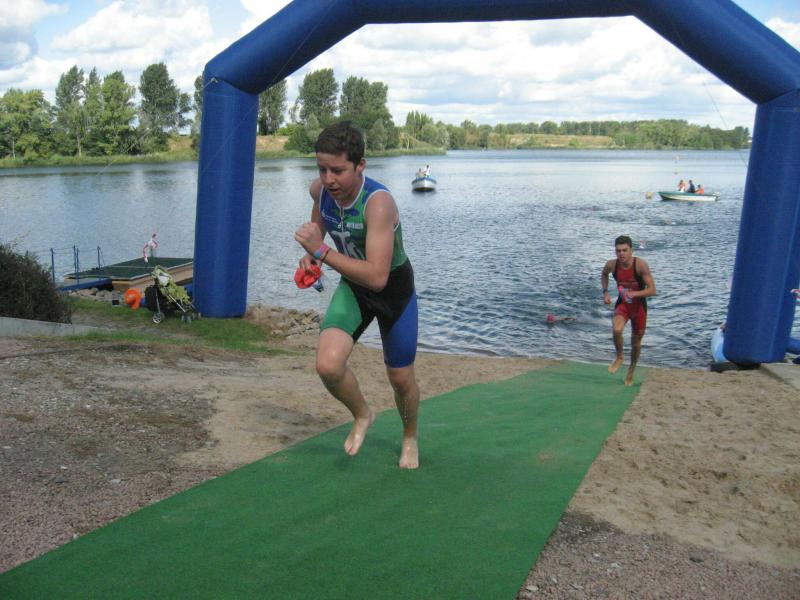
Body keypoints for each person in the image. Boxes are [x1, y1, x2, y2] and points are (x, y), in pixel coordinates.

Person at [294, 121, 420, 469]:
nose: (328, 179)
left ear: (360, 165)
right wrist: (313, 250)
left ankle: (410, 436)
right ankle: (363, 413)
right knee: (328, 365)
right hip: (354, 286)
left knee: (401, 379)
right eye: (322, 169)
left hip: (393, 291)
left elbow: (378, 278)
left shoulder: (378, 204)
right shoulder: (321, 190)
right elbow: (319, 219)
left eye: (338, 170)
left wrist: (320, 251)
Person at [601, 235, 657, 386]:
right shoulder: (612, 265)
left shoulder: (640, 265)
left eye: (624, 250)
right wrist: (605, 292)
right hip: (623, 305)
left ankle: (631, 370)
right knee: (617, 330)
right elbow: (604, 274)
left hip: (639, 309)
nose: (621, 254)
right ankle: (620, 356)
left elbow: (652, 290)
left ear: (631, 250)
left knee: (635, 344)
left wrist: (635, 294)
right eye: (618, 250)